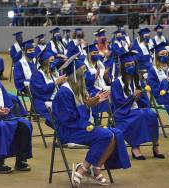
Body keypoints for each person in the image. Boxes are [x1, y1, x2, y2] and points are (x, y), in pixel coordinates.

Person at [52, 58, 131, 187]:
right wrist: (87, 105)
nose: (85, 74)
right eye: (82, 71)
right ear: (74, 74)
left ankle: (95, 168)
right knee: (105, 135)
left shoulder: (77, 89)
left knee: (116, 133)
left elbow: (80, 113)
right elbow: (69, 118)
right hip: (68, 131)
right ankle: (82, 170)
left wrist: (92, 104)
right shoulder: (64, 92)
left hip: (79, 127)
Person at [111, 51, 165, 160]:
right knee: (139, 115)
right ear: (123, 67)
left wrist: (139, 97)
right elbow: (118, 103)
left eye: (132, 65)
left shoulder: (138, 81)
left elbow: (145, 101)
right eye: (128, 65)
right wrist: (132, 97)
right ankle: (135, 148)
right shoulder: (117, 83)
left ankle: (156, 146)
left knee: (151, 114)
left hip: (138, 109)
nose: (131, 67)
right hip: (123, 113)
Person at [30, 51, 67, 127]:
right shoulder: (37, 75)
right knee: (62, 117)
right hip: (44, 102)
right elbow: (40, 90)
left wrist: (63, 82)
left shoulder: (54, 72)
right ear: (45, 62)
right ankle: (64, 133)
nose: (55, 62)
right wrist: (55, 83)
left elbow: (58, 88)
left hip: (56, 99)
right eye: (52, 60)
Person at [84, 43, 111, 123]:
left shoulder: (99, 63)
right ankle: (95, 120)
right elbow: (84, 82)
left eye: (97, 52)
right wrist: (95, 76)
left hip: (101, 86)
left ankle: (113, 118)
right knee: (99, 97)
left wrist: (106, 77)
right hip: (89, 89)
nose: (96, 54)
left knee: (115, 90)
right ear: (89, 54)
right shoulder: (85, 65)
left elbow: (105, 79)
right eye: (94, 53)